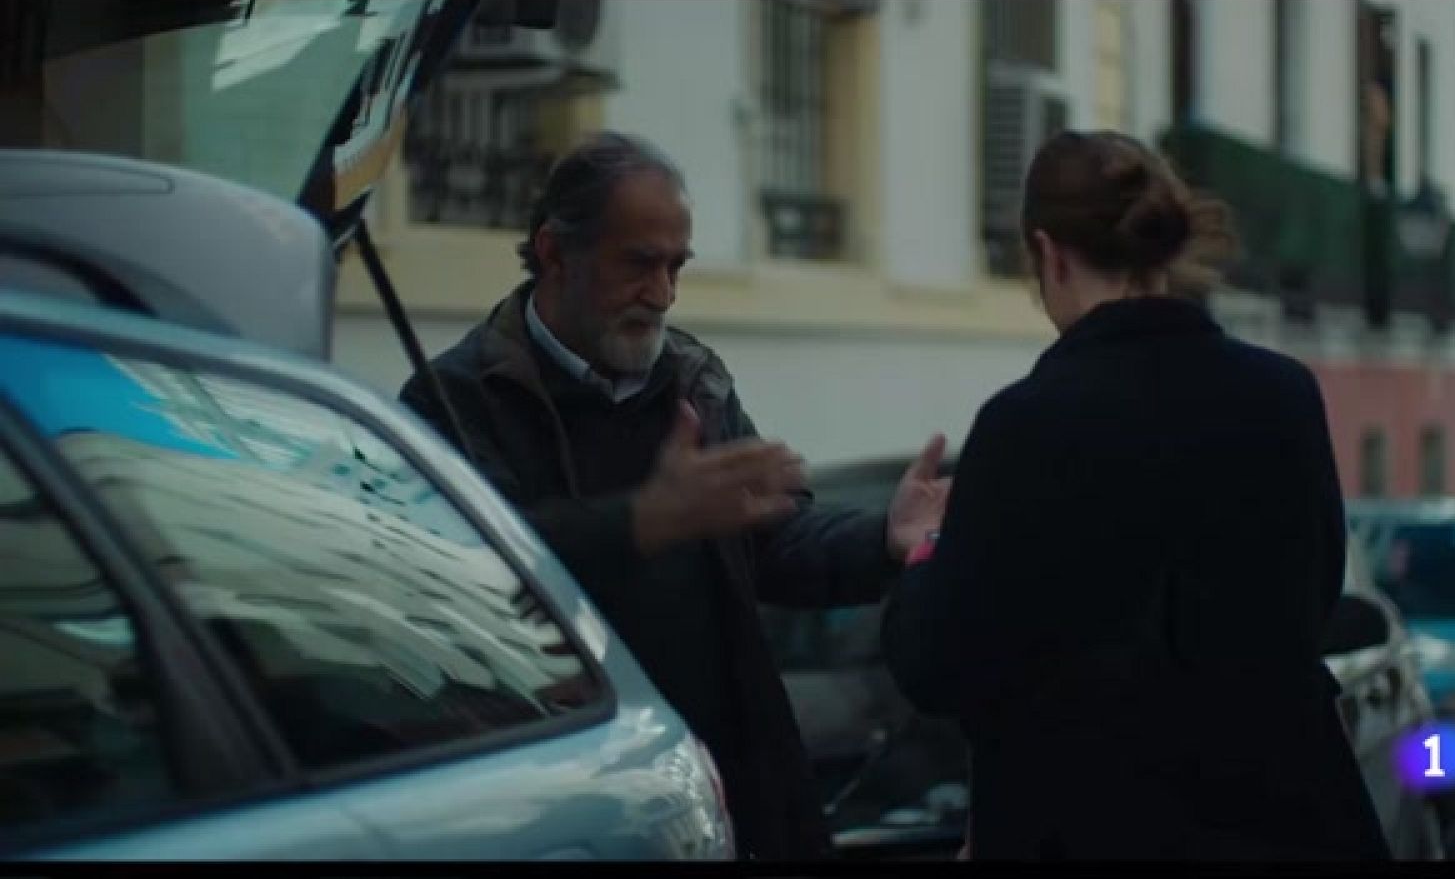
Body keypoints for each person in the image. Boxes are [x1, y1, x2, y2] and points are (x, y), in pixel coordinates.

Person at [398, 131, 950, 860]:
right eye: (638, 264)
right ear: (556, 252)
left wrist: (882, 537)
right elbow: (461, 587)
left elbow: (773, 540)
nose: (661, 293)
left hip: (733, 787)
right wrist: (639, 523)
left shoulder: (691, 378)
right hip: (574, 806)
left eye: (675, 266)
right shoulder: (457, 399)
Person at [879, 130, 1391, 860]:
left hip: (1085, 826)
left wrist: (924, 546)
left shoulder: (1025, 424)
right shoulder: (1284, 396)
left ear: (1048, 253)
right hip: (1287, 824)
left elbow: (941, 664)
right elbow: (1313, 597)